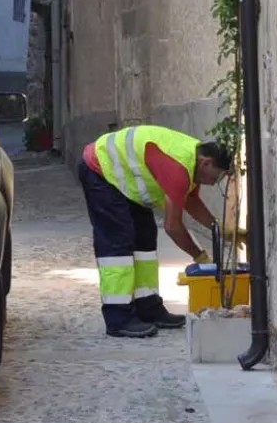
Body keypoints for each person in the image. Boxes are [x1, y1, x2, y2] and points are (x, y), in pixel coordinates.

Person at [78, 124, 232, 338]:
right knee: (117, 246)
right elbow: (172, 227)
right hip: (100, 169)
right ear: (206, 162)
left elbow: (190, 201)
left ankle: (149, 308)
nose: (213, 183)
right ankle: (118, 317)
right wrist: (199, 255)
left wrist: (220, 228)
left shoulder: (191, 162)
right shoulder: (179, 167)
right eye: (214, 177)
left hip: (124, 180)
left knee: (145, 242)